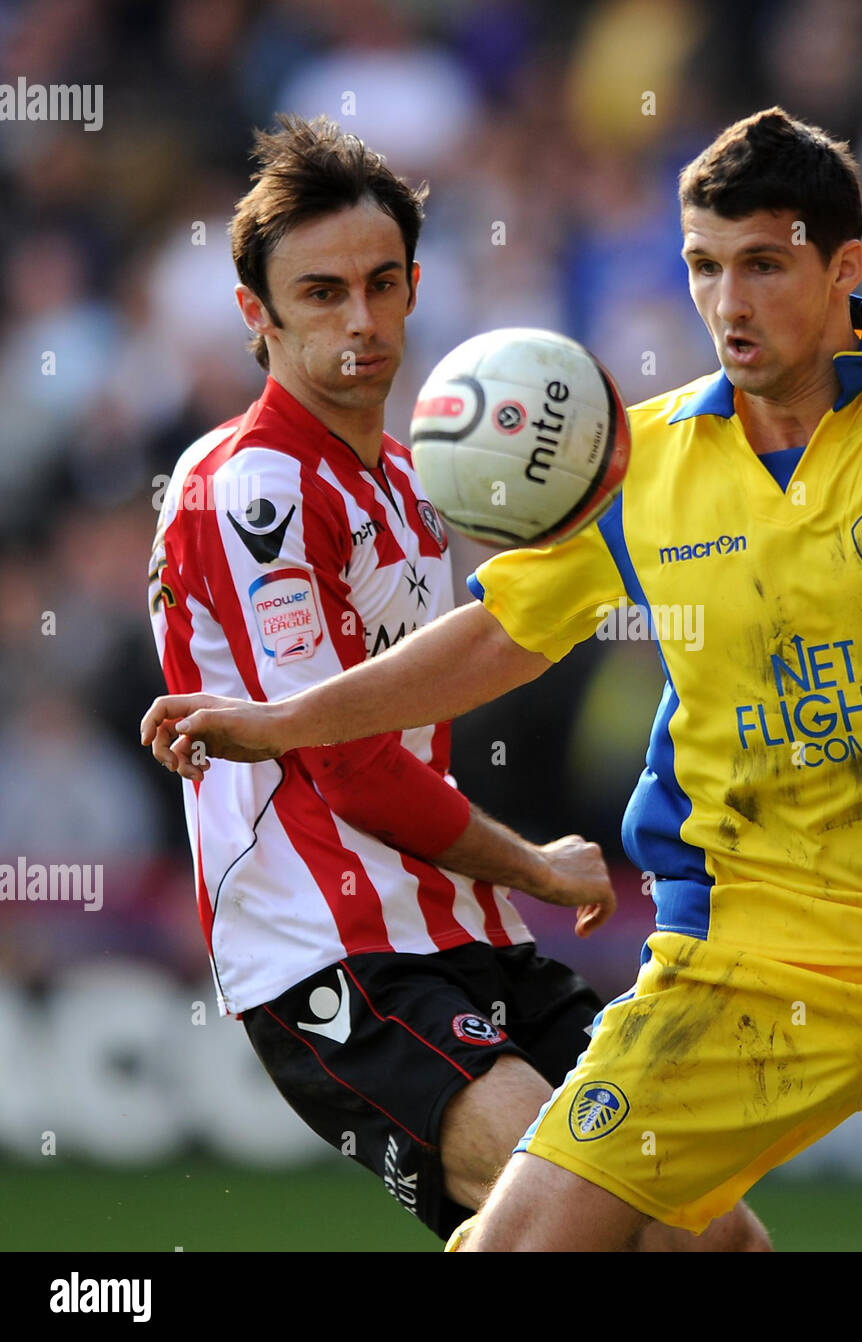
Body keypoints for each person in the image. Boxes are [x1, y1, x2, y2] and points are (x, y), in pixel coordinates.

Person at [143, 107, 862, 1252]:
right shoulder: (645, 460)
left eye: (762, 265)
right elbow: (494, 639)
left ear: (844, 266)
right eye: (703, 266)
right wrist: (282, 720)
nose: (728, 304)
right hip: (739, 963)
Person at [145, 113, 766, 1252]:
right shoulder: (251, 490)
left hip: (459, 930)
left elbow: (489, 652)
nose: (362, 321)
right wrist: (533, 860)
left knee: (713, 1239)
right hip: (333, 951)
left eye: (383, 285)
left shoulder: (409, 480)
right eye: (323, 293)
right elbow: (344, 763)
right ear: (256, 314)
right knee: (573, 1221)